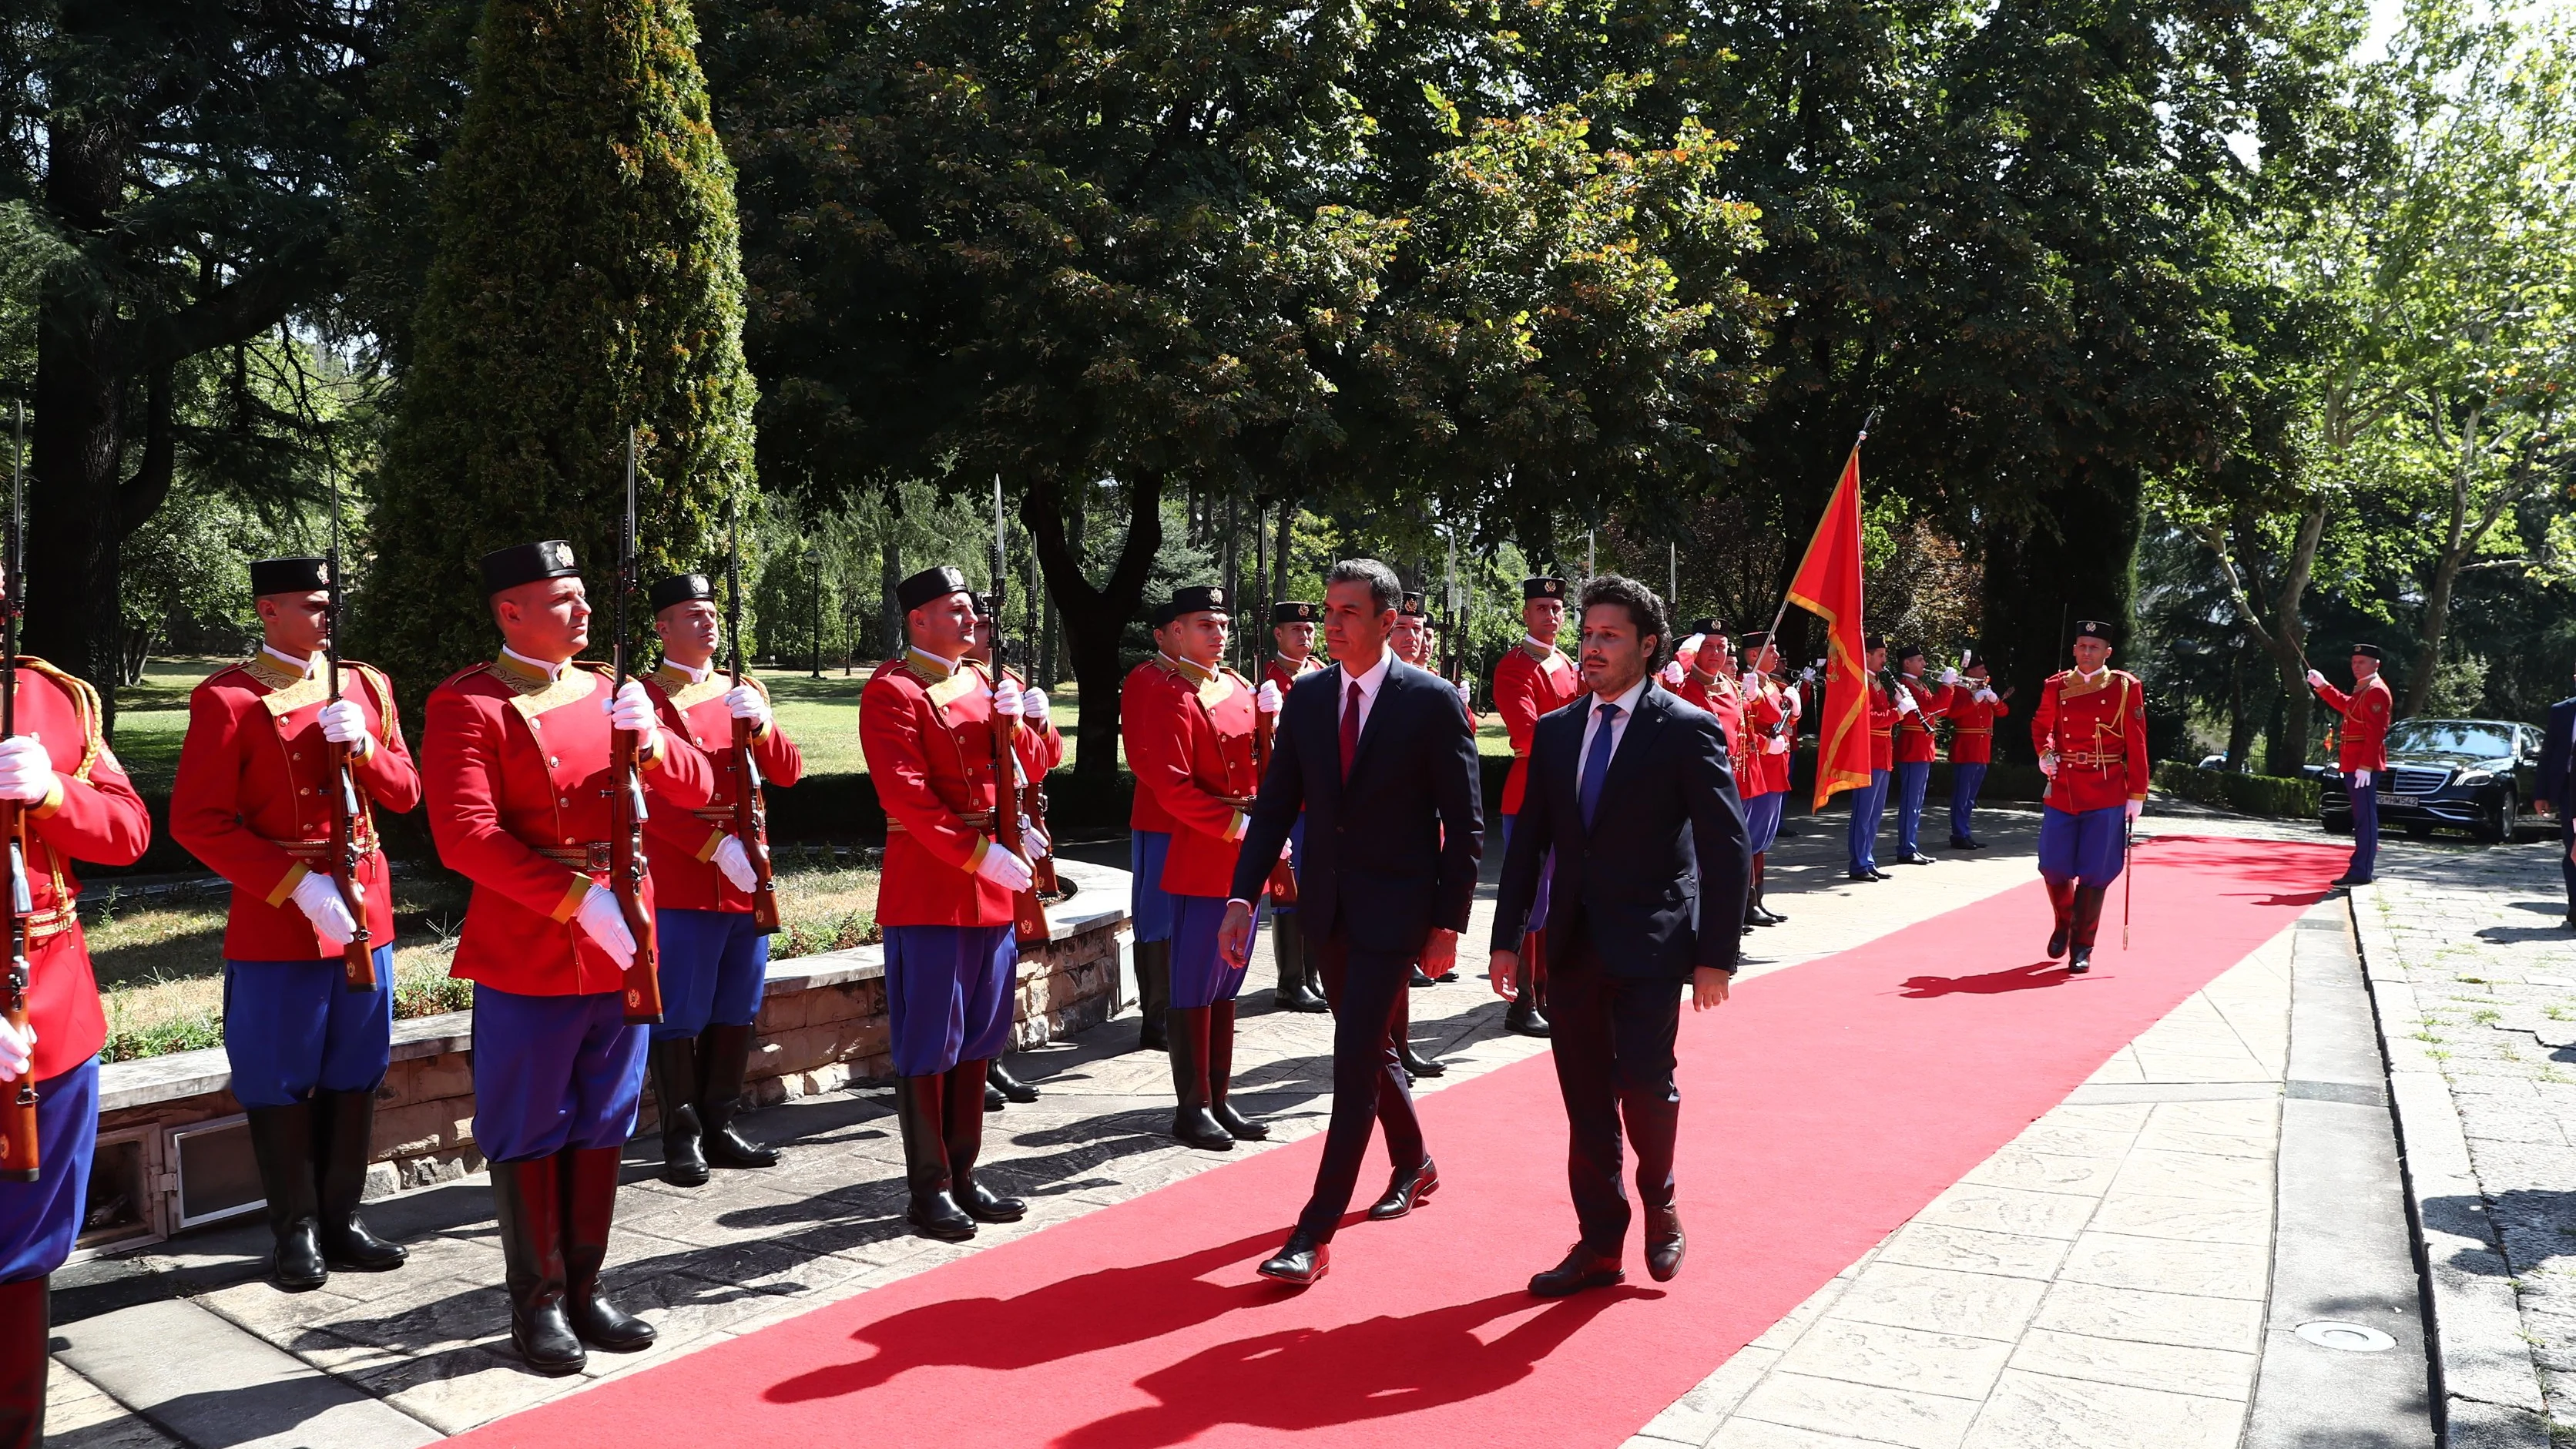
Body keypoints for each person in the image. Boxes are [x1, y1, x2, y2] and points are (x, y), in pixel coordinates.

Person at [423, 541, 716, 1374]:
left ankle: (586, 1287)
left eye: (585, 597)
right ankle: (537, 1303)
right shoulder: (469, 705)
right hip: (533, 944)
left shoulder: (615, 692)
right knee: (527, 1127)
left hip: (624, 941)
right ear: (509, 612)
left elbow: (699, 789)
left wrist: (654, 744)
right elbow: (464, 836)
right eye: (562, 600)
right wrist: (574, 899)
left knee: (602, 1122)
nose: (583, 612)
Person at [1218, 558, 1481, 1286]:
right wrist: (1243, 896)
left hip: (1398, 912)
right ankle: (1416, 1161)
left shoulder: (1430, 701)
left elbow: (1464, 824)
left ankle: (1315, 1229)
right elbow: (1275, 805)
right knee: (1367, 1046)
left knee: (1352, 1053)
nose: (1330, 623)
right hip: (1326, 908)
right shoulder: (1307, 698)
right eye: (1328, 611)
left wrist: (1447, 923)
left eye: (1348, 612)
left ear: (1388, 620)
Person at [1491, 575, 1746, 1296]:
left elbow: (1724, 848)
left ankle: (1659, 1195)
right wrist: (1508, 937)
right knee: (1584, 1099)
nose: (1592, 646)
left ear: (1647, 644)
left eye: (1609, 635)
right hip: (1573, 944)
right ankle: (1601, 1244)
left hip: (1654, 941)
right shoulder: (1559, 729)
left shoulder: (1687, 727)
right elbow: (1531, 843)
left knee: (1643, 1080)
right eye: (1588, 634)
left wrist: (1714, 956)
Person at [170, 557, 421, 1290]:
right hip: (283, 913)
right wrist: (294, 887)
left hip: (365, 908)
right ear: (267, 610)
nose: (326, 616)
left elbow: (406, 795)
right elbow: (198, 822)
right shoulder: (228, 698)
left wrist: (368, 749)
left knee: (356, 1067)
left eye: (330, 603)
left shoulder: (366, 685)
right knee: (279, 1076)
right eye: (311, 604)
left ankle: (343, 1218)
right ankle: (296, 1230)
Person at [0, 579, 153, 1444]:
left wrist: (57, 792)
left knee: (24, 1251)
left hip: (50, 1019)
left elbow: (129, 832)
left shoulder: (48, 696)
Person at [857, 566, 1035, 1242]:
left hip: (991, 884)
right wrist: (974, 853)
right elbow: (904, 793)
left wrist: (1029, 726)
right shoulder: (893, 690)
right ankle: (927, 1186)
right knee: (930, 1040)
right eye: (955, 611)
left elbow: (1029, 768)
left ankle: (965, 1172)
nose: (970, 621)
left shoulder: (987, 683)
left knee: (981, 1037)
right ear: (919, 621)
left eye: (972, 611)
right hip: (931, 886)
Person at [636, 572, 805, 1186]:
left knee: (737, 1005)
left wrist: (761, 725)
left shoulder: (743, 689)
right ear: (663, 627)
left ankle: (721, 1121)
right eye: (692, 614)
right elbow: (648, 799)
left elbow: (788, 773)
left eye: (711, 612)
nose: (709, 623)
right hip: (685, 879)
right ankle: (681, 1134)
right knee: (680, 1011)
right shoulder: (643, 700)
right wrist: (712, 846)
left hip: (746, 880)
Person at [1125, 585, 1272, 1150]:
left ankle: (1220, 1096)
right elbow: (1171, 784)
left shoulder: (1234, 685)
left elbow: (1260, 768)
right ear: (1175, 632)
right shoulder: (1169, 691)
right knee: (1193, 982)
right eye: (1204, 623)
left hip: (1245, 850)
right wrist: (1237, 827)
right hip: (1205, 848)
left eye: (1223, 622)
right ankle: (1193, 1107)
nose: (1219, 632)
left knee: (1227, 979)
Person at [965, 592, 1059, 1108]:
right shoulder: (957, 689)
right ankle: (974, 1069)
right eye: (979, 624)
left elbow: (1044, 761)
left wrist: (1037, 723)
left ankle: (993, 1061)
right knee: (980, 967)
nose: (986, 635)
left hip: (1018, 833)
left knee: (1005, 962)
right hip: (986, 839)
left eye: (990, 625)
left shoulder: (1009, 685)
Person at [2031, 619, 2150, 973]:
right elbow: (2042, 725)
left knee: (2096, 870)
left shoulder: (2126, 687)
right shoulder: (2056, 685)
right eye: (2082, 646)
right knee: (2053, 864)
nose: (2087, 652)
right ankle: (2063, 923)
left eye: (2094, 647)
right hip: (2065, 784)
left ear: (2107, 652)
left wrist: (2136, 794)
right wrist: (2045, 752)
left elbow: (2137, 741)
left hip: (2107, 786)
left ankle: (2083, 944)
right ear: (2074, 649)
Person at [1489, 576, 1579, 1035]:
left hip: (1569, 794)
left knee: (1558, 894)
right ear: (1525, 614)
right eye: (1541, 607)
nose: (1550, 616)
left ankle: (1545, 991)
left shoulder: (1568, 662)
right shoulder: (1514, 667)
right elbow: (1527, 735)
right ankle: (1522, 1001)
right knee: (1531, 897)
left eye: (1557, 607)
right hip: (1529, 796)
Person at [1262, 601, 1328, 1013]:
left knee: (1319, 886)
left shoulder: (1321, 672)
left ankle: (1314, 972)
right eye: (1296, 631)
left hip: (1322, 799)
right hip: (1292, 802)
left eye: (1309, 630)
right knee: (1289, 888)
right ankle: (1290, 981)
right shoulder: (1269, 681)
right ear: (1278, 635)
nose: (1305, 637)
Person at [2308, 645, 2394, 887]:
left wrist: (2366, 765)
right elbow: (2348, 706)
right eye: (2354, 662)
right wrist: (2323, 686)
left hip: (2362, 765)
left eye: (2362, 662)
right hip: (2353, 763)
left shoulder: (2376, 691)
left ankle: (2361, 870)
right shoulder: (2364, 688)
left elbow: (2376, 732)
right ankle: (2360, 868)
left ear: (2375, 664)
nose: (2356, 666)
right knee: (2361, 817)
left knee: (2365, 819)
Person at [1736, 632, 1795, 924]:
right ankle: (1747, 904)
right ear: (1752, 655)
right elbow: (1743, 726)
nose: (1776, 656)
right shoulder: (1747, 684)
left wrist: (1793, 711)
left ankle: (1758, 898)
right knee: (1751, 839)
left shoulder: (1771, 684)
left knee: (1762, 841)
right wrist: (1764, 743)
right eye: (1770, 651)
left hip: (1776, 769)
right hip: (1759, 769)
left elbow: (1782, 721)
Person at [1887, 645, 1954, 866]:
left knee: (1916, 802)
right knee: (1910, 802)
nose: (1924, 664)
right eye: (1919, 660)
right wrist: (1946, 686)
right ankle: (1906, 848)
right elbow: (1929, 707)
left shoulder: (1919, 683)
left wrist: (1947, 688)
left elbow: (1941, 710)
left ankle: (1910, 846)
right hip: (1913, 746)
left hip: (1922, 747)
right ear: (1907, 663)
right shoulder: (1905, 685)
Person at [1845, 634, 1899, 881]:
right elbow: (1868, 718)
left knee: (1875, 814)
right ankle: (1858, 863)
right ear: (1867, 655)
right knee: (1863, 812)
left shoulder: (1877, 681)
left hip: (1882, 754)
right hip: (1868, 754)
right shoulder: (1860, 682)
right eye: (1881, 655)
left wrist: (1898, 705)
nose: (1884, 660)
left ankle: (1867, 858)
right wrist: (1898, 712)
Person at [1943, 653, 2011, 849]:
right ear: (1971, 671)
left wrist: (1994, 700)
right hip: (1966, 747)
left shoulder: (1982, 689)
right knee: (1961, 795)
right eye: (1981, 669)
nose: (1985, 672)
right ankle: (1959, 833)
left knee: (1971, 796)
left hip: (1982, 748)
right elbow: (1952, 713)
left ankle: (1965, 831)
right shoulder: (1959, 690)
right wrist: (1974, 700)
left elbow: (2003, 712)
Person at [2540, 669, 2576, 928]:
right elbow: (2549, 752)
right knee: (2573, 849)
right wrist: (2542, 793)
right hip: (2569, 791)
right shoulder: (2562, 711)